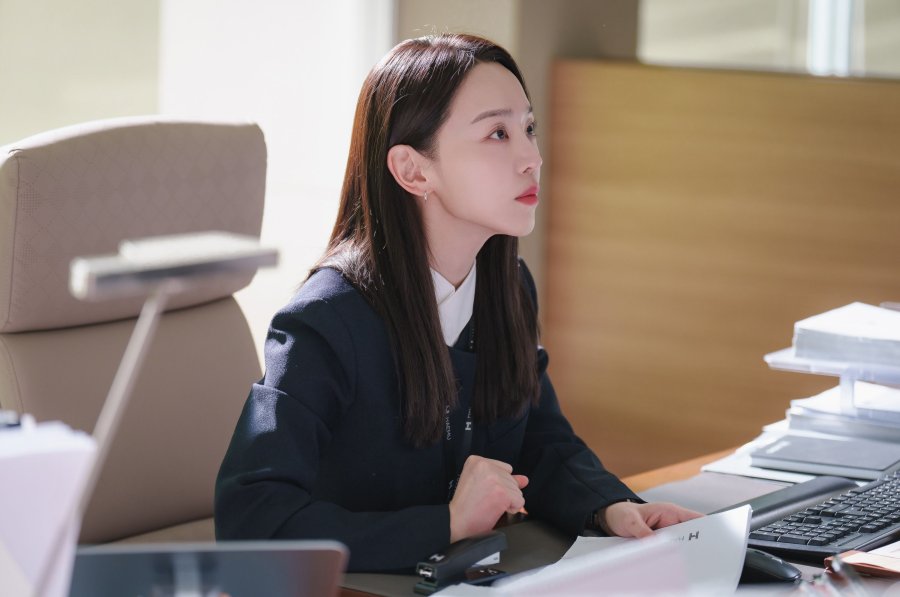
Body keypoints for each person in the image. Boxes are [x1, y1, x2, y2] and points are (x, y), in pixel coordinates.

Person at [215, 33, 701, 572]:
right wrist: (446, 524)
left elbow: (540, 441)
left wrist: (611, 507)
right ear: (413, 170)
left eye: (528, 128)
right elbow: (252, 521)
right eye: (497, 133)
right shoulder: (326, 320)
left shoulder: (507, 287)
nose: (532, 158)